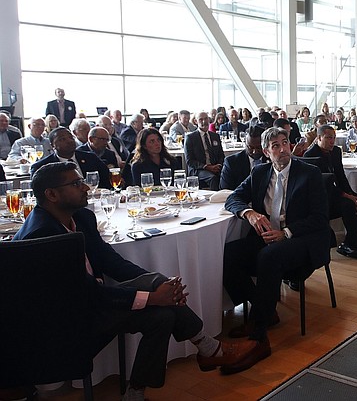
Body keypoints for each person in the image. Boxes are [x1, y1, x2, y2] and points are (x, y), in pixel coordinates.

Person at [13, 162, 261, 399]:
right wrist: (153, 295)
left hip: (90, 301)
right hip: (64, 323)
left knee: (162, 316)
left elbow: (112, 262)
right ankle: (209, 349)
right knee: (158, 301)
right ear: (52, 194)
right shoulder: (42, 235)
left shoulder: (83, 218)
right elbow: (83, 294)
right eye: (76, 183)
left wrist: (156, 285)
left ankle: (135, 393)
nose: (86, 187)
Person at [222, 127, 329, 370]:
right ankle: (265, 311)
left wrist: (286, 233)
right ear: (265, 151)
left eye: (285, 143)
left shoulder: (309, 173)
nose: (283, 150)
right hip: (268, 236)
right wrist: (248, 213)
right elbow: (232, 198)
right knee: (228, 254)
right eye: (276, 146)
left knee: (269, 257)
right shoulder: (260, 172)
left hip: (302, 238)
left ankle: (258, 338)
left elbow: (320, 218)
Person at [304, 125, 357, 260]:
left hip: (335, 193)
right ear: (319, 138)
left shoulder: (336, 151)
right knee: (348, 205)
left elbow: (341, 177)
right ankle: (355, 245)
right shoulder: (310, 155)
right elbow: (322, 185)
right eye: (328, 138)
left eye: (334, 138)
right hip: (322, 199)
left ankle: (350, 242)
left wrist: (351, 193)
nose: (332, 141)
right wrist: (347, 196)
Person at [30, 127, 112, 189]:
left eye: (70, 137)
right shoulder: (42, 167)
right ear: (52, 145)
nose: (69, 141)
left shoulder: (90, 157)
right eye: (62, 139)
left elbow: (107, 179)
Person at [184, 111, 225, 190]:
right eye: (201, 119)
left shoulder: (215, 136)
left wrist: (219, 165)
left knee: (229, 174)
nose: (204, 121)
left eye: (206, 119)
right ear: (196, 121)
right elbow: (190, 161)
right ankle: (215, 200)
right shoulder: (190, 138)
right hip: (199, 169)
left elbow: (221, 155)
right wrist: (206, 167)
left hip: (215, 166)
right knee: (213, 178)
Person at [220, 125, 267, 190]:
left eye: (259, 148)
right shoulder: (232, 162)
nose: (254, 151)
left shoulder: (271, 159)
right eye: (250, 147)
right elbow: (225, 190)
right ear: (245, 144)